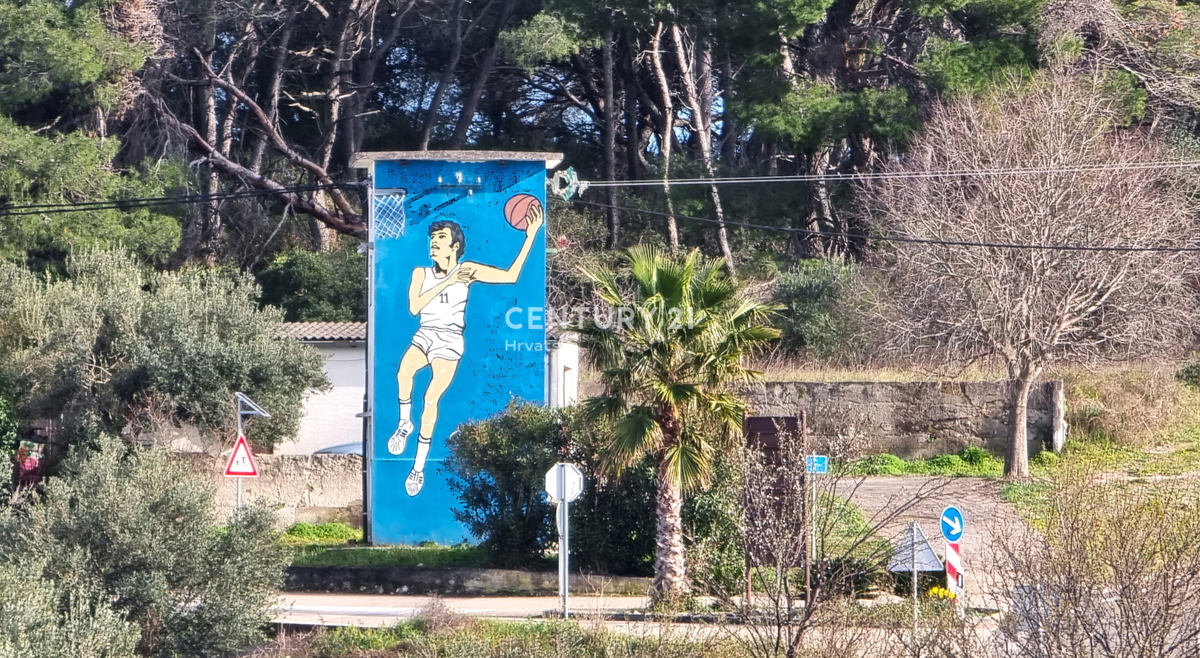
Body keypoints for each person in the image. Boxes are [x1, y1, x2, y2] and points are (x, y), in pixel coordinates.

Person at [388, 202, 544, 496]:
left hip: (449, 338)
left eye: (440, 240)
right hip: (426, 332)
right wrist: (447, 281)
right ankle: (403, 423)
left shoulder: (468, 270)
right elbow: (415, 306)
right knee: (403, 371)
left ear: (455, 246)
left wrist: (530, 235)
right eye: (431, 240)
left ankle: (418, 468)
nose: (433, 244)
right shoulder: (421, 273)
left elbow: (511, 276)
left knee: (431, 399)